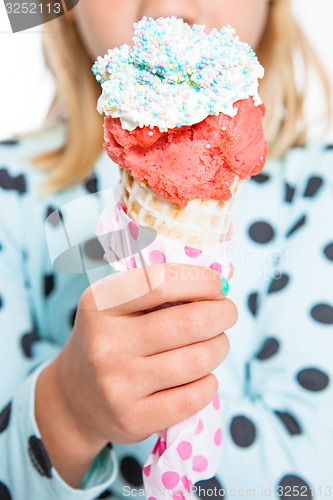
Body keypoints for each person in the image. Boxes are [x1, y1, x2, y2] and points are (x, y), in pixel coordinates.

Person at [0, 0, 332, 499]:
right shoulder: (11, 199)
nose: (170, 6)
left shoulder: (319, 192)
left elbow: (315, 464)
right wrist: (68, 411)